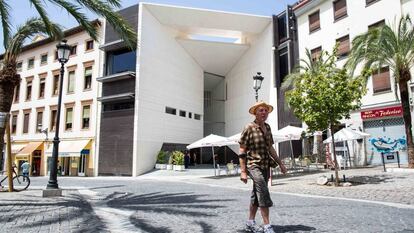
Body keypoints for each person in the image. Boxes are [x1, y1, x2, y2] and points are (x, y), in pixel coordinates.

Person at [239, 101, 287, 233]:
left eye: (266, 110)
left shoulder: (268, 127)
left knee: (256, 193)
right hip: (253, 165)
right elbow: (242, 150)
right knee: (263, 191)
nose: (264, 112)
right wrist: (243, 171)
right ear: (255, 112)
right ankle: (267, 225)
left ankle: (250, 222)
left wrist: (280, 163)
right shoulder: (249, 127)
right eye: (261, 110)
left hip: (265, 164)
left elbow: (270, 148)